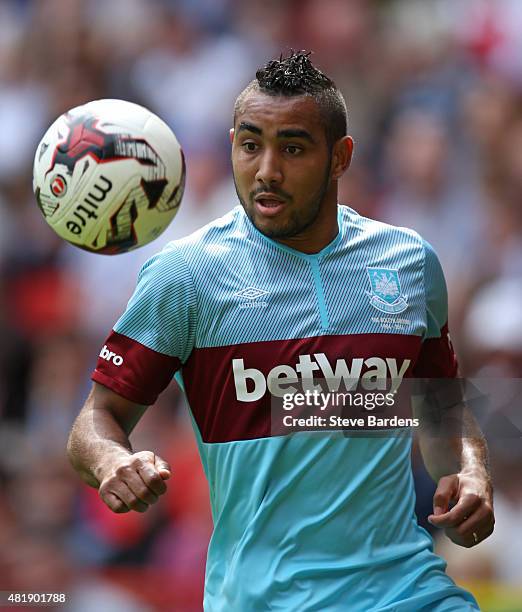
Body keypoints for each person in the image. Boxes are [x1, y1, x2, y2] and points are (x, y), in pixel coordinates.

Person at [67, 51, 494, 611]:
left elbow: (443, 412)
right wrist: (111, 462)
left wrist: (470, 471)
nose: (266, 169)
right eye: (250, 145)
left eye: (292, 148)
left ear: (341, 157)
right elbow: (95, 422)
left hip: (404, 589)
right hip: (264, 599)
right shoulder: (187, 274)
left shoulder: (409, 263)